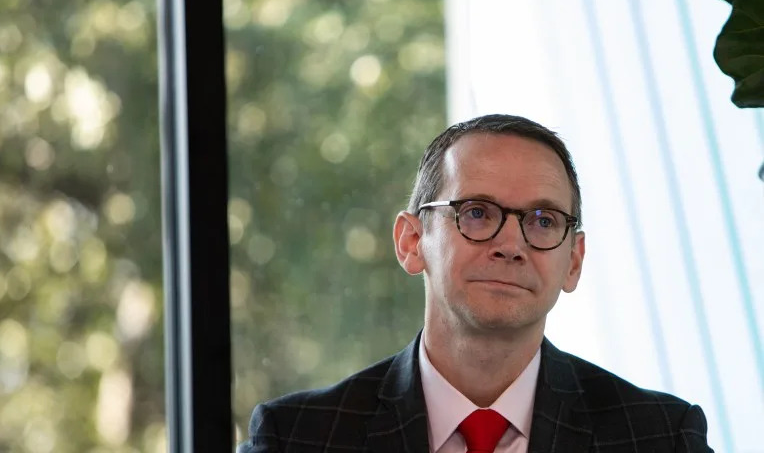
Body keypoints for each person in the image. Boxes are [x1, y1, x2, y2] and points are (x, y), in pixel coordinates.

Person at [238, 114, 712, 452]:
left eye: (544, 220)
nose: (512, 244)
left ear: (573, 261)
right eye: (477, 213)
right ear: (411, 241)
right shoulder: (297, 437)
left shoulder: (662, 436)